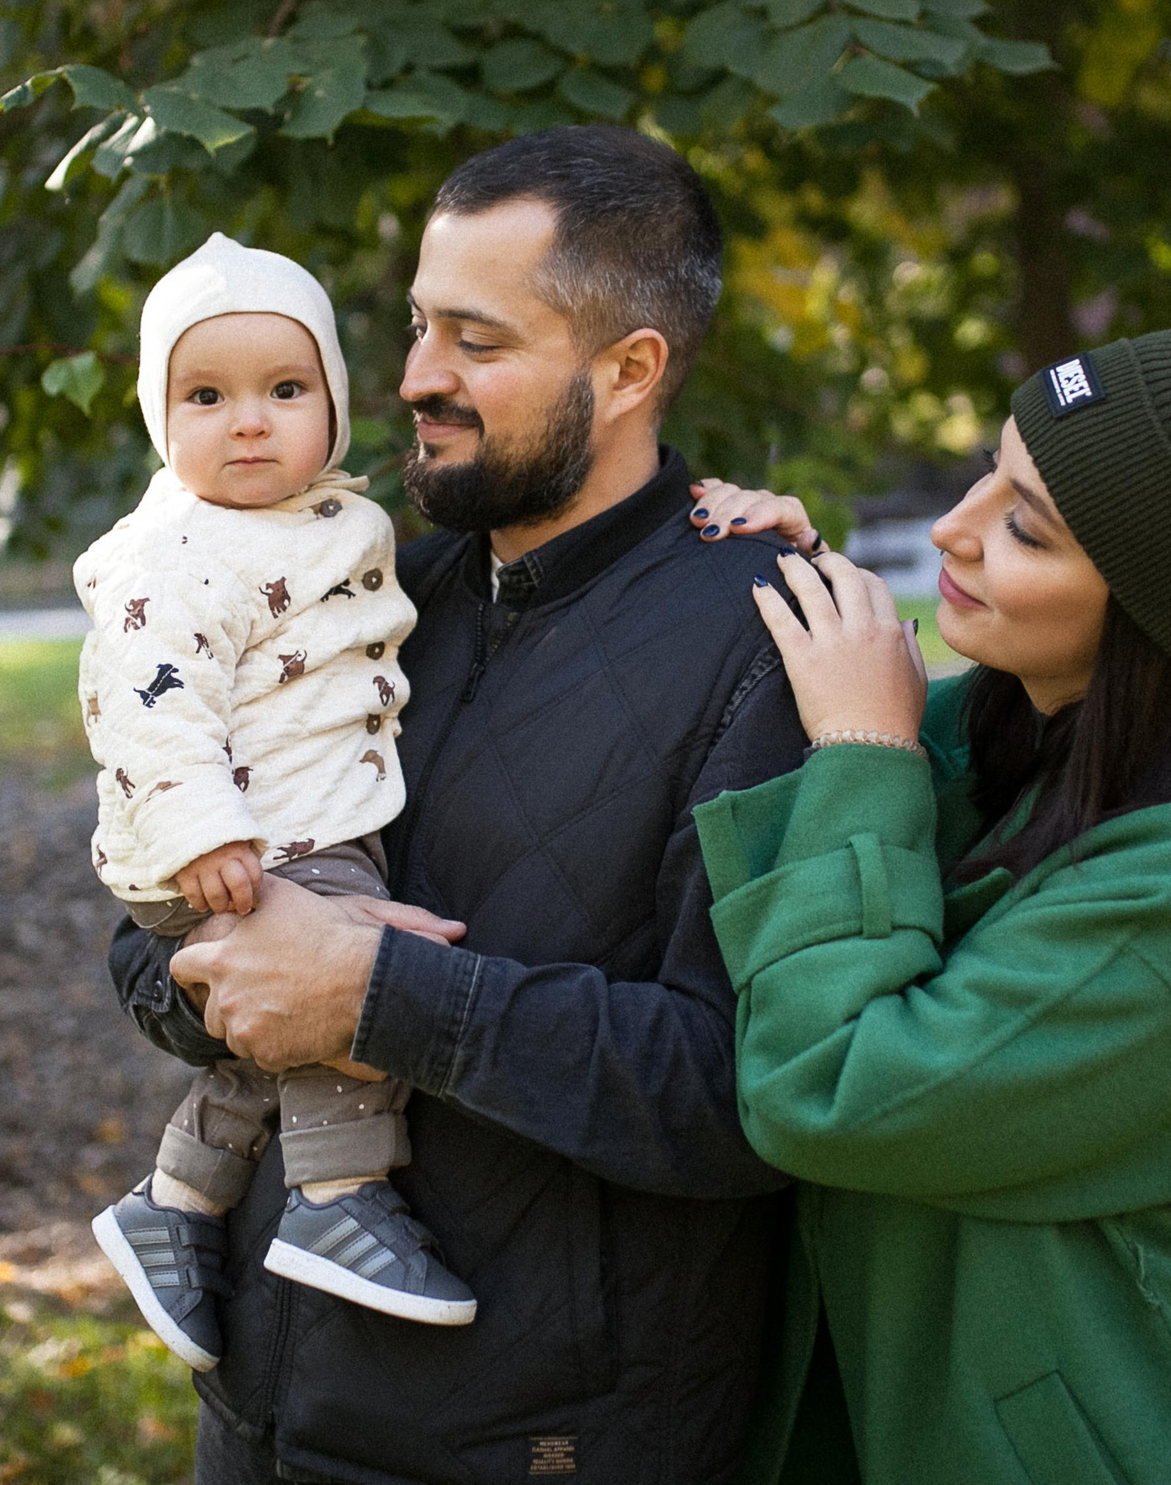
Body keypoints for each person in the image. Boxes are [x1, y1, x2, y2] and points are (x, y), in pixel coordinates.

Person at [106, 125, 805, 1484]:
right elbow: (143, 937)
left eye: (475, 342)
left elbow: (756, 1095)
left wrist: (378, 995)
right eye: (420, 324)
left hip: (535, 1441)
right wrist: (222, 974)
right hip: (259, 1413)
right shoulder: (360, 597)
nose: (417, 375)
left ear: (630, 368)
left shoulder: (766, 645)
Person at [689, 315, 1171, 1484]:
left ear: (1156, 602)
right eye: (987, 474)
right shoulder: (1015, 735)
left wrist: (864, 743)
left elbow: (831, 1092)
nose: (949, 530)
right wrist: (769, 592)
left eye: (1024, 526)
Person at [77, 233, 475, 1373]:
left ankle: (176, 1202)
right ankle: (338, 1197)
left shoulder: (324, 522)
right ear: (161, 417)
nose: (248, 421)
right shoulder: (178, 553)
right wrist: (204, 835)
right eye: (206, 395)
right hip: (248, 839)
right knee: (350, 990)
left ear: (332, 408)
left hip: (295, 822)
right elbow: (144, 707)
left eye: (284, 389)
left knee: (260, 1042)